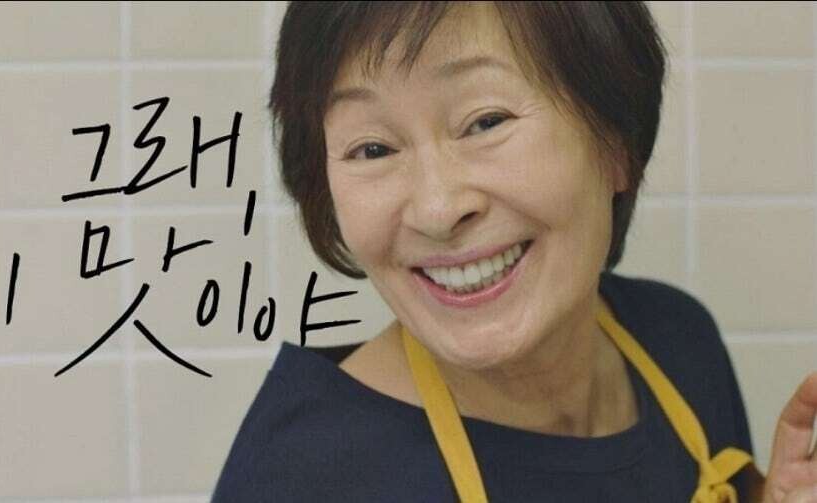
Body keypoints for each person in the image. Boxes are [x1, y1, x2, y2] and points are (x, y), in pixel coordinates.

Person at [212, 2, 817, 501]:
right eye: (373, 149)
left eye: (485, 121)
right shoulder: (301, 478)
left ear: (616, 143)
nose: (437, 209)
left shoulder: (679, 342)